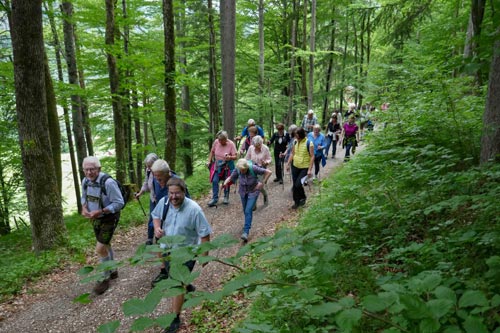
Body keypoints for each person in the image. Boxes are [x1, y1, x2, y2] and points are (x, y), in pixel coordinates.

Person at [151, 177, 212, 333]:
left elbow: (204, 234)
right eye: (171, 193)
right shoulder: (164, 202)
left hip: (186, 252)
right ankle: (187, 285)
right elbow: (155, 215)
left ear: (184, 192)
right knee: (177, 279)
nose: (173, 197)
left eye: (177, 193)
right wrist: (157, 228)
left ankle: (174, 318)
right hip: (167, 248)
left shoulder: (194, 210)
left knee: (176, 284)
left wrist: (204, 256)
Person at [81, 156, 124, 295]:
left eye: (92, 169)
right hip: (96, 218)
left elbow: (119, 203)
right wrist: (84, 208)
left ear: (99, 169)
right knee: (106, 244)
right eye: (86, 170)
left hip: (109, 217)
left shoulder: (109, 183)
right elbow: (84, 197)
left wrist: (101, 211)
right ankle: (112, 270)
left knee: (100, 248)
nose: (89, 172)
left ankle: (104, 278)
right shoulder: (85, 181)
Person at [223, 158, 271, 242]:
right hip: (243, 192)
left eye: (243, 170)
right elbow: (231, 177)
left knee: (248, 210)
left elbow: (268, 172)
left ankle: (246, 232)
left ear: (246, 167)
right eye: (240, 170)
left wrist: (262, 183)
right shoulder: (238, 169)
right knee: (245, 210)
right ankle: (247, 223)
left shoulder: (253, 168)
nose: (241, 172)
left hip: (253, 191)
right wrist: (225, 183)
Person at [206, 131, 237, 207]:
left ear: (225, 139)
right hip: (217, 165)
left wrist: (230, 157)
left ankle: (226, 197)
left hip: (227, 166)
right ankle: (214, 198)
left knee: (226, 181)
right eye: (218, 140)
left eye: (221, 140)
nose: (219, 141)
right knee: (215, 180)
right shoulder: (216, 142)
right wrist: (209, 161)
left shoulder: (231, 144)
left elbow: (235, 156)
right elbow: (212, 152)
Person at [286, 127, 314, 209]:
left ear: (301, 135)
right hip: (295, 165)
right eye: (295, 135)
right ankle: (296, 202)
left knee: (298, 185)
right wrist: (288, 163)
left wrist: (309, 169)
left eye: (297, 135)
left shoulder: (309, 143)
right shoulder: (295, 141)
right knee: (295, 185)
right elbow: (292, 153)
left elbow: (312, 156)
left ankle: (303, 197)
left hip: (304, 167)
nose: (296, 137)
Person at [135, 153, 159, 245]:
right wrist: (140, 193)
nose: (148, 168)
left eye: (150, 166)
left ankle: (159, 237)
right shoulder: (148, 171)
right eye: (147, 166)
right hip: (153, 198)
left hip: (161, 198)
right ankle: (150, 237)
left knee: (161, 217)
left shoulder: (161, 170)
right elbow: (146, 183)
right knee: (152, 217)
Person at [245, 135, 272, 206]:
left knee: (259, 185)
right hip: (252, 168)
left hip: (261, 169)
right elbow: (247, 158)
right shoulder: (251, 148)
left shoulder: (265, 148)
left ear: (261, 143)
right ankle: (254, 204)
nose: (257, 147)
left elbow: (269, 159)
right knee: (252, 185)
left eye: (258, 145)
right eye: (255, 146)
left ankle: (265, 195)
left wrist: (266, 162)